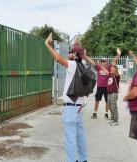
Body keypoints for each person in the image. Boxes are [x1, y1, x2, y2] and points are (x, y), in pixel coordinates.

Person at [45, 33, 87, 162]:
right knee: (80, 136)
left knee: (70, 139)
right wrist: (76, 44)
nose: (69, 54)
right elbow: (78, 52)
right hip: (79, 106)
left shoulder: (73, 65)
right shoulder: (83, 65)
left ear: (75, 55)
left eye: (71, 52)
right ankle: (82, 159)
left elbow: (58, 58)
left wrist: (47, 45)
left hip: (70, 108)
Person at [88, 48, 121, 119]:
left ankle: (106, 114)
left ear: (106, 62)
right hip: (99, 87)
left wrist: (118, 54)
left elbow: (114, 61)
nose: (104, 62)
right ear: (101, 62)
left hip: (107, 87)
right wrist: (84, 55)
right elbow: (91, 62)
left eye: (105, 61)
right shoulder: (99, 67)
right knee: (97, 100)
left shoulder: (109, 67)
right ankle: (95, 113)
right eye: (102, 61)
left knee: (107, 101)